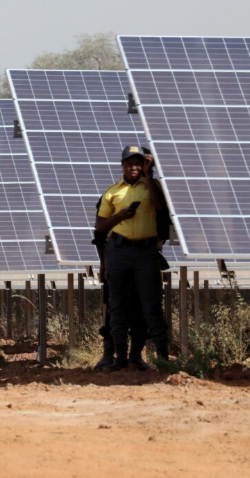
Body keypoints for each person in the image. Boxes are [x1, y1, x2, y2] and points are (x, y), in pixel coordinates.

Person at [95, 145, 170, 371]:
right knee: (117, 305)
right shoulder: (111, 192)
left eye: (138, 163)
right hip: (118, 252)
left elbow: (160, 208)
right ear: (123, 166)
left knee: (149, 304)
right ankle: (119, 357)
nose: (134, 167)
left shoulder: (154, 187)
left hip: (146, 253)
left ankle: (161, 360)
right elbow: (99, 228)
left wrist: (150, 175)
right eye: (129, 163)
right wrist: (120, 216)